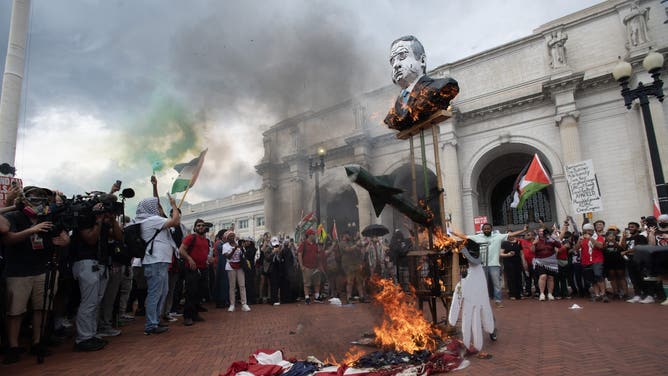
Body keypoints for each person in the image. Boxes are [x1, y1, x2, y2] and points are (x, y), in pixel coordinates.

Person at [1, 186, 70, 363]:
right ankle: (13, 346)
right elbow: (8, 238)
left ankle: (38, 342)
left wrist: (63, 241)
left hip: (44, 269)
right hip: (18, 271)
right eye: (34, 197)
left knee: (42, 308)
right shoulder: (14, 217)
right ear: (24, 199)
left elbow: (64, 237)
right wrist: (32, 230)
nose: (38, 201)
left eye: (41, 197)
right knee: (16, 311)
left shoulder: (49, 217)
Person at [384, 35, 459, 131]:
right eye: (392, 61)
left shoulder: (441, 87)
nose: (395, 65)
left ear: (422, 60)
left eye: (402, 56)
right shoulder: (393, 112)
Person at [451, 223, 527, 308]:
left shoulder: (498, 236)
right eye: (485, 229)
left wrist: (523, 230)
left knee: (496, 284)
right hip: (482, 265)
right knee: (482, 284)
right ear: (482, 230)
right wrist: (454, 233)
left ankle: (498, 301)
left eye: (488, 229)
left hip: (494, 265)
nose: (487, 230)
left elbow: (511, 234)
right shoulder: (478, 237)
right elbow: (465, 237)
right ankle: (483, 301)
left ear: (491, 229)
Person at [136, 195, 181, 335]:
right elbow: (175, 221)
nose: (159, 209)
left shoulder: (150, 220)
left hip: (159, 261)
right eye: (157, 206)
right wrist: (174, 205)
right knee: (155, 293)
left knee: (162, 292)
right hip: (155, 261)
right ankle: (151, 324)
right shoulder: (152, 220)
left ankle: (155, 320)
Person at [179, 219, 211, 326]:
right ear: (195, 228)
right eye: (198, 225)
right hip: (192, 269)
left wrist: (207, 260)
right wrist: (189, 259)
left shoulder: (206, 241)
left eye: (202, 225)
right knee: (191, 292)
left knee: (200, 292)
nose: (201, 227)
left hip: (203, 269)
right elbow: (181, 250)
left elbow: (204, 253)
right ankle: (187, 316)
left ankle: (195, 314)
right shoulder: (190, 238)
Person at [574, 223, 607, 302]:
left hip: (597, 260)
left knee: (598, 275)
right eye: (585, 230)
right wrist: (579, 241)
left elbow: (600, 246)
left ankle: (603, 294)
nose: (587, 232)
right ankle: (597, 295)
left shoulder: (599, 237)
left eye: (589, 230)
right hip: (586, 261)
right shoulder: (582, 239)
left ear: (592, 230)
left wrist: (591, 238)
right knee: (592, 279)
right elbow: (576, 249)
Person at [222, 230, 251, 312]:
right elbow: (228, 257)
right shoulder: (225, 246)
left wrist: (241, 250)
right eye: (230, 236)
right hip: (230, 267)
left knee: (242, 285)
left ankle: (244, 304)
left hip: (240, 266)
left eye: (233, 236)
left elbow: (243, 255)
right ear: (227, 238)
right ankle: (232, 304)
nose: (232, 237)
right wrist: (235, 249)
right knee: (232, 286)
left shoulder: (238, 244)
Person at [623, 221, 649, 303]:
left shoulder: (640, 237)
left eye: (632, 227)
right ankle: (637, 295)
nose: (630, 228)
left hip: (639, 261)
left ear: (637, 228)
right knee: (633, 279)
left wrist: (626, 252)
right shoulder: (628, 238)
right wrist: (623, 237)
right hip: (629, 261)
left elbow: (638, 247)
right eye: (629, 227)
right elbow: (623, 247)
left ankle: (647, 295)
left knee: (641, 278)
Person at [531, 227, 560, 301]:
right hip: (540, 261)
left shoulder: (550, 239)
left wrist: (551, 239)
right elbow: (532, 251)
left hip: (551, 262)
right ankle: (542, 293)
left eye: (543, 231)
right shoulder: (536, 240)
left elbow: (559, 245)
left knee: (550, 277)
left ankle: (550, 293)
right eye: (540, 231)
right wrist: (533, 244)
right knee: (543, 276)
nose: (541, 233)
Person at [647, 214, 668, 305]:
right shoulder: (656, 232)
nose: (662, 222)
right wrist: (651, 234)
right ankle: (667, 297)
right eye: (660, 221)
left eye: (664, 221)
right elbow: (652, 245)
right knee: (664, 278)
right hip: (661, 258)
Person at [297, 229, 323, 304]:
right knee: (307, 283)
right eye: (313, 234)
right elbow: (299, 254)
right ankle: (307, 297)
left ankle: (317, 296)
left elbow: (318, 254)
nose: (314, 236)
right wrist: (301, 265)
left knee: (317, 282)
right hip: (307, 266)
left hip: (315, 266)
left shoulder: (315, 244)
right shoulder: (304, 244)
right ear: (309, 235)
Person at [500, 235, 523, 300]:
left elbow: (521, 253)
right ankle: (512, 294)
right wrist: (508, 254)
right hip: (508, 262)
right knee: (510, 278)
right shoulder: (504, 243)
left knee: (518, 277)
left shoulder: (518, 243)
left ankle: (519, 294)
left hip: (517, 262)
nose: (510, 237)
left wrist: (524, 262)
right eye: (509, 236)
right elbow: (501, 253)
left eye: (512, 236)